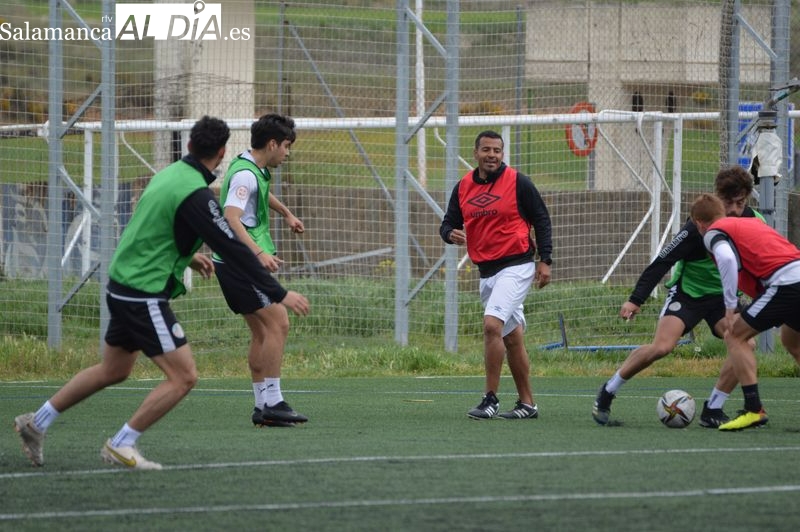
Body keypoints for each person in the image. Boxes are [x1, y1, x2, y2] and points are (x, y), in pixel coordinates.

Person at [13, 116, 310, 470]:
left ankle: (37, 423)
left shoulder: (169, 175)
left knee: (113, 370)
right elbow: (232, 246)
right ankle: (122, 444)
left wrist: (189, 255)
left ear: (188, 147)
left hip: (120, 283)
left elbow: (152, 224)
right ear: (222, 151)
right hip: (143, 293)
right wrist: (279, 293)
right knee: (184, 376)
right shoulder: (197, 197)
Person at [592, 166, 762, 428]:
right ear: (719, 199)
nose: (735, 210)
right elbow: (661, 262)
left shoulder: (753, 222)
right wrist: (635, 299)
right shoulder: (696, 229)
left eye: (741, 203)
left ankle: (713, 408)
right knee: (662, 347)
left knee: (745, 345)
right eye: (729, 203)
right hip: (689, 294)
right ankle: (608, 391)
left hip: (723, 299)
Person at [439, 130, 552, 420]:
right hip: (486, 272)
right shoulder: (463, 187)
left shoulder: (518, 182)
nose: (492, 155)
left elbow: (541, 217)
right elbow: (448, 223)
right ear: (475, 153)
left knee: (491, 325)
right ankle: (528, 404)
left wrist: (545, 260)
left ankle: (489, 399)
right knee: (512, 338)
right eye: (486, 150)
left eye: (497, 150)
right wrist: (448, 234)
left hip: (516, 266)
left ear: (503, 154)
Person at [213, 113, 308, 427]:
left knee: (261, 331)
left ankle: (261, 406)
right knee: (279, 322)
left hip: (232, 262)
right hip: (242, 264)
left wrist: (287, 214)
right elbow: (231, 217)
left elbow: (259, 193)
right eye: (286, 146)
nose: (287, 153)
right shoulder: (245, 175)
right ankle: (274, 402)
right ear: (272, 144)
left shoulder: (251, 168)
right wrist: (258, 253)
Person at [692, 193, 800, 430]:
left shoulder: (712, 233)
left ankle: (754, 409)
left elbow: (727, 260)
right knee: (792, 341)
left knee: (735, 335)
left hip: (785, 282)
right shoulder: (747, 223)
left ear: (699, 223)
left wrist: (730, 306)